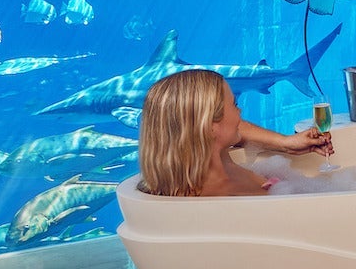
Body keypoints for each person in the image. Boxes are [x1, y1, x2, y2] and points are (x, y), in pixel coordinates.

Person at [138, 69, 334, 196]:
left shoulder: (217, 162)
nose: (240, 112)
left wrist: (287, 143)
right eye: (234, 104)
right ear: (210, 127)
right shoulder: (219, 199)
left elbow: (235, 128)